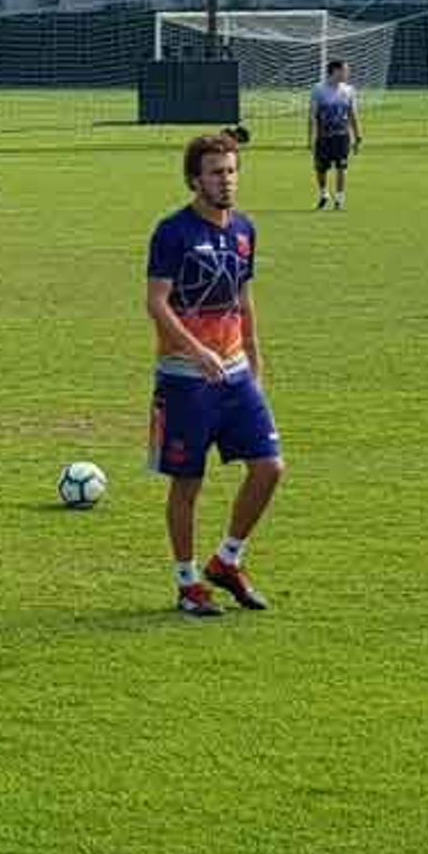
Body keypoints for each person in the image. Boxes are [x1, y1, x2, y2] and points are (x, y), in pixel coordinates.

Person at [146, 132, 286, 618]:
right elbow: (156, 303)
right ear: (194, 180)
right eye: (215, 172)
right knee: (188, 483)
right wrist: (195, 349)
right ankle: (187, 584)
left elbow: (244, 303)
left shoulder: (245, 230)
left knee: (270, 468)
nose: (225, 181)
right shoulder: (173, 233)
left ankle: (227, 560)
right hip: (185, 377)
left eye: (231, 171)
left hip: (237, 374)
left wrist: (255, 363)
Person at [308, 59, 361, 211]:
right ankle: (324, 194)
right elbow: (312, 115)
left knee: (341, 167)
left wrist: (357, 136)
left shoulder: (349, 90)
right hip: (324, 137)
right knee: (321, 169)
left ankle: (339, 199)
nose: (347, 73)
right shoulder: (318, 90)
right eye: (345, 70)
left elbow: (353, 114)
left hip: (342, 136)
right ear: (335, 71)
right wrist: (310, 138)